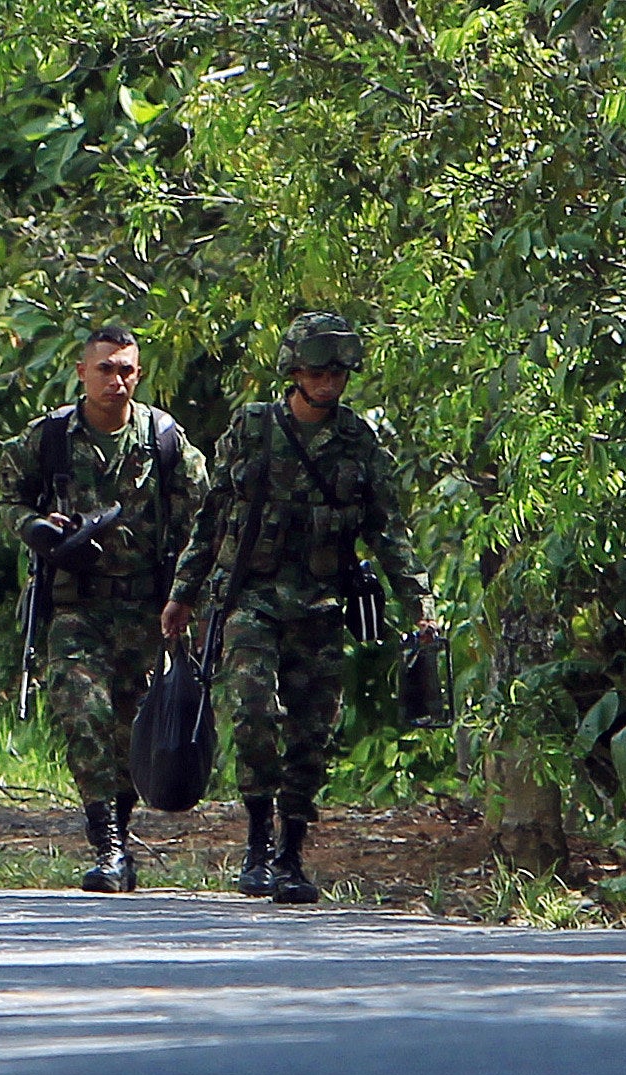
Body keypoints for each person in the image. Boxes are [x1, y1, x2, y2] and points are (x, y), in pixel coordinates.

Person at [161, 312, 437, 904]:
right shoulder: (254, 428)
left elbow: (388, 529)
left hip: (321, 605)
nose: (330, 381)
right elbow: (212, 518)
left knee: (313, 734)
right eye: (318, 370)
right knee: (256, 715)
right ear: (294, 372)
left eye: (339, 371)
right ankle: (258, 844)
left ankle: (291, 853)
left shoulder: (359, 442)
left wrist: (419, 602)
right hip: (250, 601)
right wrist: (184, 594)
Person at [0, 324, 207, 892]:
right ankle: (107, 844)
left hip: (147, 610)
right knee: (81, 712)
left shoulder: (162, 440)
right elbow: (9, 496)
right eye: (105, 369)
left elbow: (205, 520)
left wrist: (189, 597)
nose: (116, 381)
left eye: (126, 370)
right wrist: (36, 529)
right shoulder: (50, 439)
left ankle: (123, 830)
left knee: (130, 728)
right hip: (76, 607)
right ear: (81, 373)